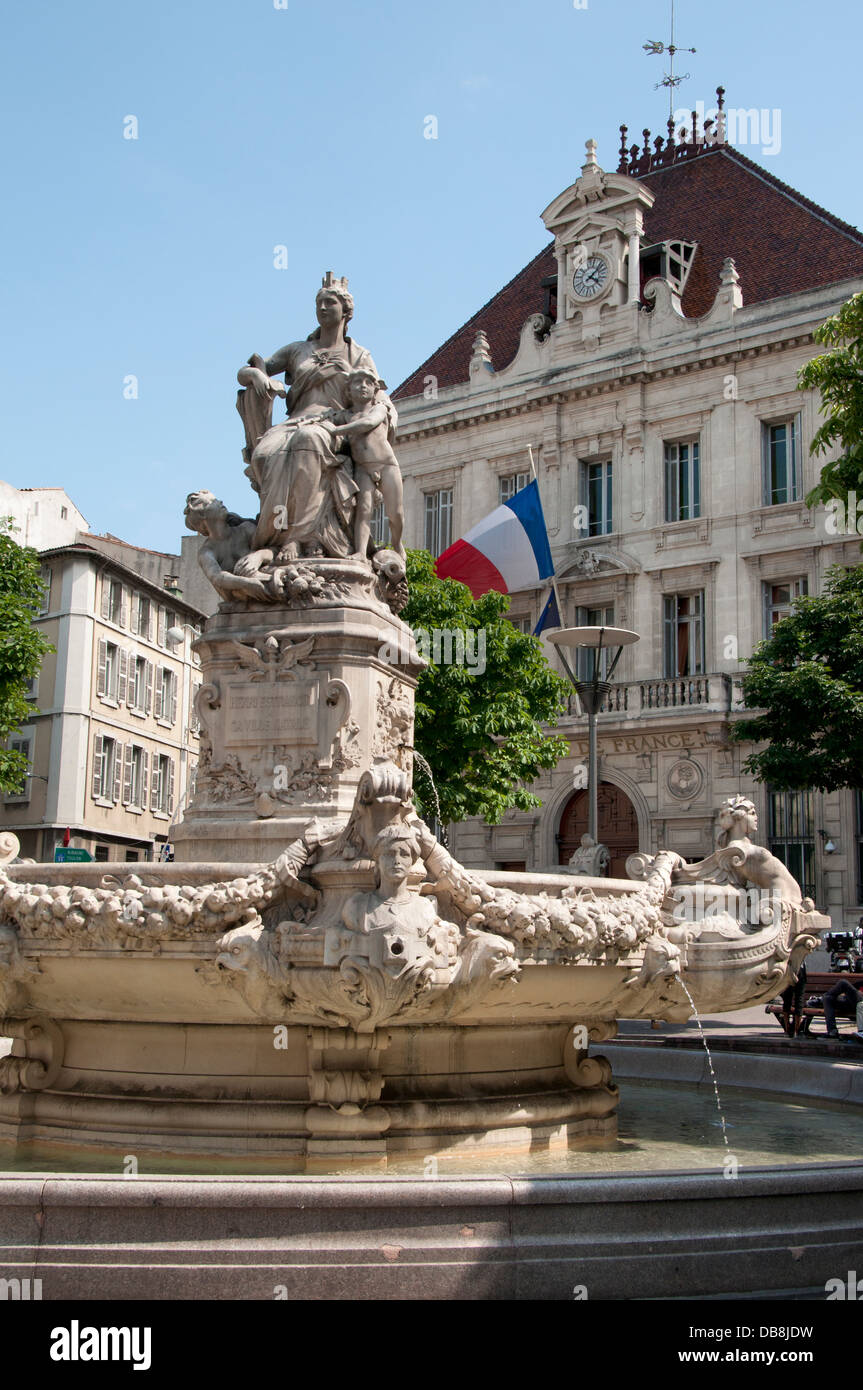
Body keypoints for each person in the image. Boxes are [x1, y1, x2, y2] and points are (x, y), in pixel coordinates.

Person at [234, 274, 380, 567]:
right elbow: (247, 371)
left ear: (346, 310)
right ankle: (273, 533)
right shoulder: (297, 350)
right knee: (263, 454)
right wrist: (258, 376)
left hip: (334, 423)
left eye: (330, 302)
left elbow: (377, 396)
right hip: (295, 420)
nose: (323, 307)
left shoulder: (358, 354)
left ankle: (298, 538)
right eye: (319, 303)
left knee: (309, 442)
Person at [319, 368, 404, 561]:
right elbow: (321, 420)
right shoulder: (345, 415)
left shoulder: (379, 409)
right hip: (363, 468)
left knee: (395, 513)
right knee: (363, 511)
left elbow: (368, 423)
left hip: (386, 464)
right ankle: (360, 552)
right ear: (348, 391)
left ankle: (397, 544)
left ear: (375, 389)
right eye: (358, 382)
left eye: (368, 383)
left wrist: (336, 431)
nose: (363, 386)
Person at [823, 972, 863, 1040]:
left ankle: (819, 999)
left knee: (843, 983)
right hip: (851, 1003)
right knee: (828, 999)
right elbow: (852, 990)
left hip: (860, 1003)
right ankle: (832, 1031)